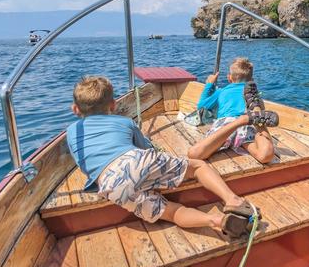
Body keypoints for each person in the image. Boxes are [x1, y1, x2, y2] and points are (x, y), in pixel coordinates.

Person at [66, 76, 256, 237]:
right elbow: (146, 148)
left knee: (173, 213)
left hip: (108, 183)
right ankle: (233, 200)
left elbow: (84, 164)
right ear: (113, 105)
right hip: (134, 160)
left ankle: (215, 220)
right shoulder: (123, 122)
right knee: (197, 166)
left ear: (75, 109)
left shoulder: (72, 131)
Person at [187, 57, 277, 164]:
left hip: (226, 124)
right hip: (247, 126)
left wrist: (209, 84)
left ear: (229, 78)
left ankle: (243, 120)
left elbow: (201, 106)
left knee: (194, 154)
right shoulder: (252, 93)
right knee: (264, 156)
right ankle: (256, 115)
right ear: (251, 79)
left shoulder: (221, 91)